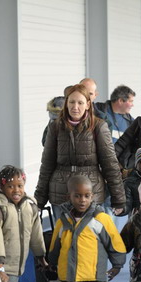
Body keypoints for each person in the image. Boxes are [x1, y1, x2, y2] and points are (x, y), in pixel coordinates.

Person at [34, 84, 125, 217]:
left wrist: (118, 199)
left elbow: (110, 164)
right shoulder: (55, 127)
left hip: (91, 194)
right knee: (64, 237)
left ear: (88, 104)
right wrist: (39, 200)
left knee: (90, 236)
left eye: (80, 102)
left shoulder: (99, 126)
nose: (75, 107)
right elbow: (47, 165)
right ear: (66, 103)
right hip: (61, 194)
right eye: (71, 102)